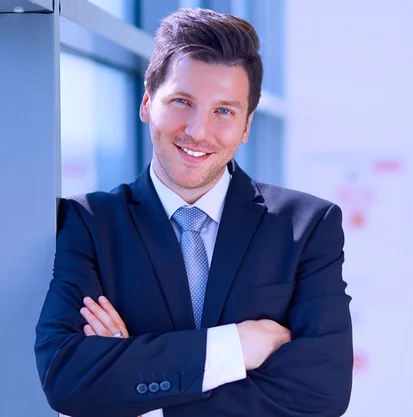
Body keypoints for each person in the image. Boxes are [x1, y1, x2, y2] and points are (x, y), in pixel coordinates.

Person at [34, 7, 353, 417]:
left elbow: (322, 391)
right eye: (182, 101)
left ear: (247, 126)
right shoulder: (88, 223)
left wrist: (141, 399)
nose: (198, 131)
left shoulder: (306, 226)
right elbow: (67, 378)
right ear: (148, 102)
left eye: (224, 111)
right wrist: (235, 346)